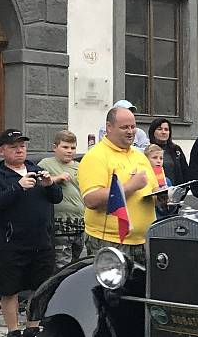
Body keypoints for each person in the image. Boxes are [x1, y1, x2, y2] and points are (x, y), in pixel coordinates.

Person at [0, 129, 62, 337]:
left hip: (41, 242)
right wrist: (17, 187)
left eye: (23, 146)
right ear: (3, 150)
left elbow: (57, 198)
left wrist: (49, 185)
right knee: (10, 290)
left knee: (41, 287)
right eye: (14, 147)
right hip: (11, 243)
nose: (20, 150)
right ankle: (13, 332)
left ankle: (33, 328)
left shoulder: (37, 170)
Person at [78, 106, 159, 264]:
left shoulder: (140, 156)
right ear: (109, 127)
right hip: (110, 242)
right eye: (124, 127)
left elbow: (152, 190)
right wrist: (130, 186)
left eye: (133, 127)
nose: (130, 131)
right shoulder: (95, 156)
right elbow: (91, 200)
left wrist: (162, 196)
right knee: (113, 290)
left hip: (143, 241)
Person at [38, 130, 84, 270]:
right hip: (60, 224)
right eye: (65, 147)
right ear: (55, 147)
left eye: (73, 147)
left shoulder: (79, 166)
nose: (69, 151)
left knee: (78, 266)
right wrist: (56, 179)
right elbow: (37, 183)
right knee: (63, 267)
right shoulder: (46, 163)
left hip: (80, 223)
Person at [147, 117, 189, 184]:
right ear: (153, 132)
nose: (163, 132)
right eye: (159, 129)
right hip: (156, 190)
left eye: (166, 129)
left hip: (177, 191)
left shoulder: (176, 149)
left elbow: (185, 171)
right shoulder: (148, 150)